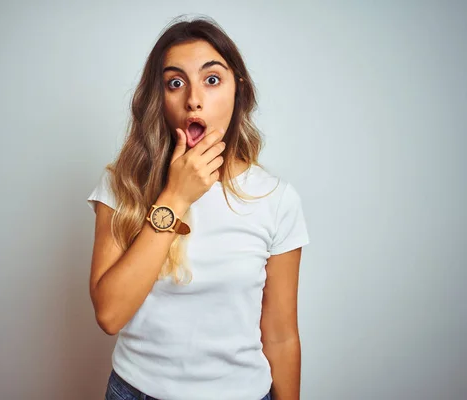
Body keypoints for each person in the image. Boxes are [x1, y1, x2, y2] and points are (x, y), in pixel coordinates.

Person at [86, 15, 310, 400]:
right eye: (176, 82)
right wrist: (175, 197)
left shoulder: (275, 199)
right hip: (135, 392)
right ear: (160, 98)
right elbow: (109, 314)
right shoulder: (122, 184)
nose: (193, 98)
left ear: (237, 89)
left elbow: (281, 336)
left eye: (211, 79)